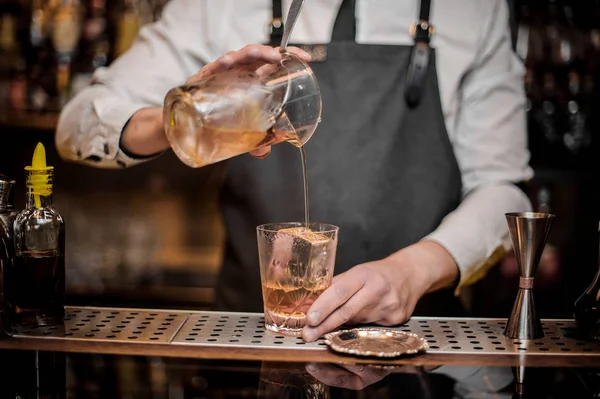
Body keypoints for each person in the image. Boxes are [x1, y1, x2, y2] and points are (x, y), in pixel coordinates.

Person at [55, 0, 533, 342]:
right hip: (251, 339)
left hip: (416, 342)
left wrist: (412, 271)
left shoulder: (475, 9)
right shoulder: (214, 7)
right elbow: (77, 124)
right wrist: (191, 114)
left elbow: (505, 191)